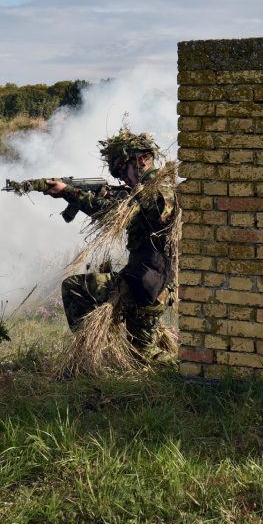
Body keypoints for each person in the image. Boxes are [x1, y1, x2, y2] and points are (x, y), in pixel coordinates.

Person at [43, 129, 176, 357]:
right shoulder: (147, 190)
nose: (122, 178)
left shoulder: (157, 192)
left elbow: (110, 214)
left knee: (75, 287)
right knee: (143, 356)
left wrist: (70, 193)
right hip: (145, 282)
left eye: (123, 170)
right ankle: (113, 352)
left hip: (148, 285)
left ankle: (92, 353)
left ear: (142, 160)